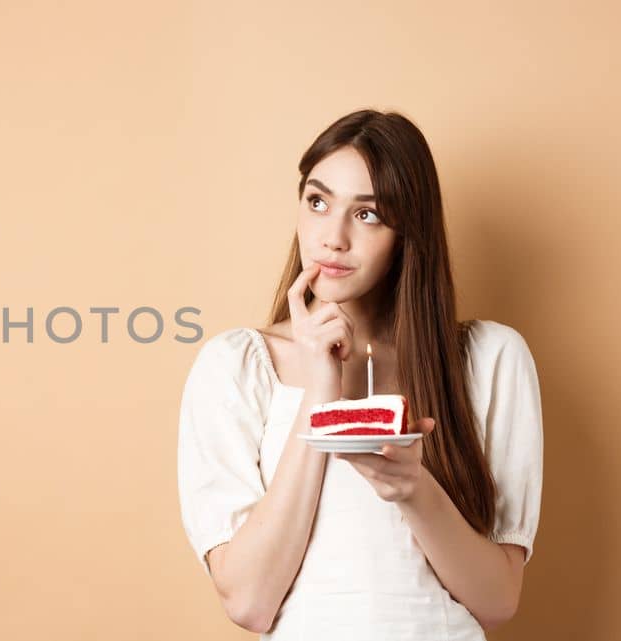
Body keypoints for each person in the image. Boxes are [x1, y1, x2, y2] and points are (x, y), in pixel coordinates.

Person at [176, 109, 544, 639]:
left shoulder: (489, 360)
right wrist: (322, 388)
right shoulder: (235, 365)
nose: (333, 238)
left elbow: (497, 601)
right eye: (318, 202)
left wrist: (413, 487)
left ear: (407, 232)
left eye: (367, 214)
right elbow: (250, 602)